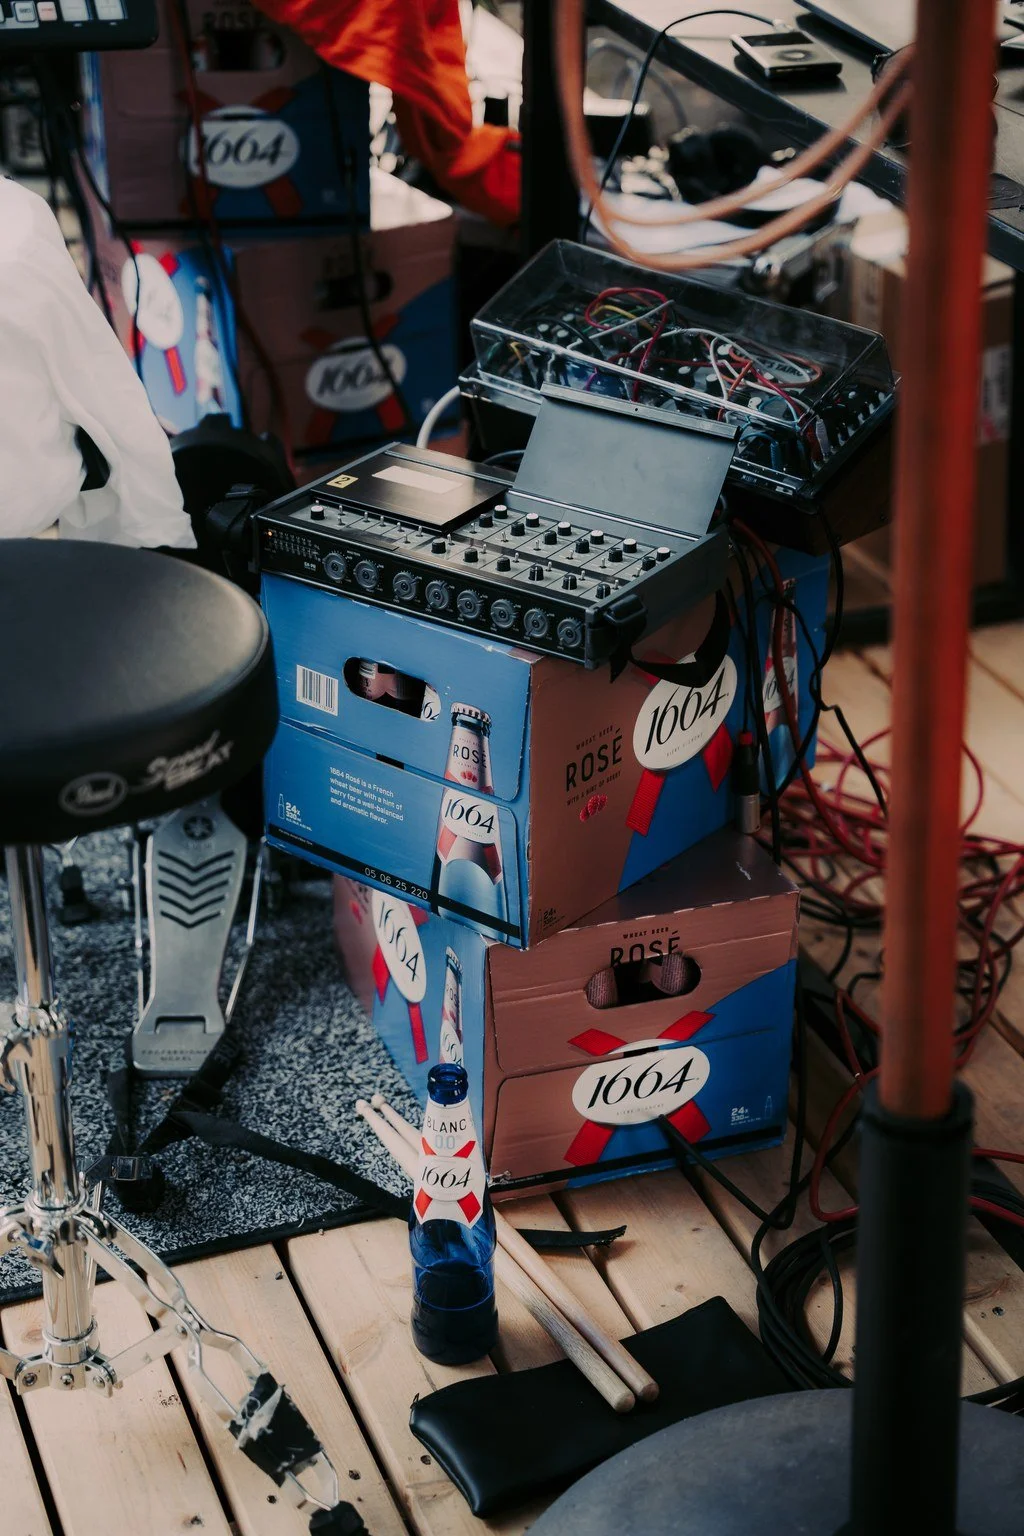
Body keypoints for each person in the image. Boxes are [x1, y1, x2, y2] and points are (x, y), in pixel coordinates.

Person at [0, 176, 194, 549]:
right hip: (29, 520)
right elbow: (101, 386)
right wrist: (152, 527)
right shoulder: (14, 227)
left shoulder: (14, 233)